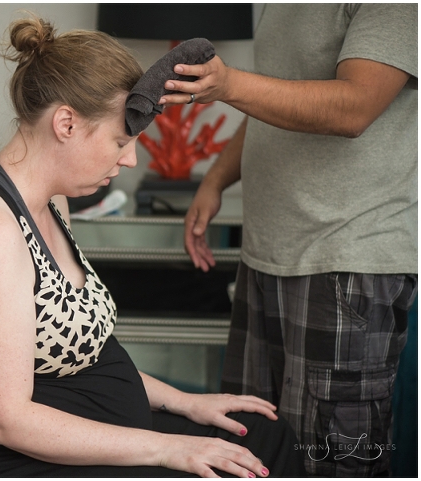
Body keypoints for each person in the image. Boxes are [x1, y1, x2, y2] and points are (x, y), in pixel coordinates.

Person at [0, 16, 306, 478]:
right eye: (120, 139)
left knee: (262, 434)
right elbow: (3, 419)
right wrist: (166, 448)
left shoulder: (51, 200)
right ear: (66, 123)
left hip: (81, 426)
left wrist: (185, 402)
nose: (130, 158)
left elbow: (85, 354)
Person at [159, 4, 417, 477]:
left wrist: (229, 84)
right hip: (265, 257)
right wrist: (215, 180)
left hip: (345, 259)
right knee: (250, 443)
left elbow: (354, 106)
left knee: (330, 461)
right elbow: (272, 101)